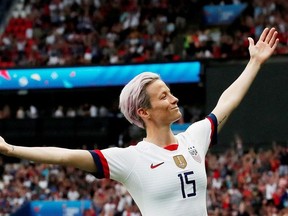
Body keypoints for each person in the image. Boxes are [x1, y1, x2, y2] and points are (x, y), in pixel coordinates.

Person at [0, 27, 279, 215]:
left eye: (171, 93)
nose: (174, 99)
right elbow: (66, 156)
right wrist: (11, 150)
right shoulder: (131, 159)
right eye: (164, 97)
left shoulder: (194, 138)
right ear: (144, 112)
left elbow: (226, 102)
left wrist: (254, 63)